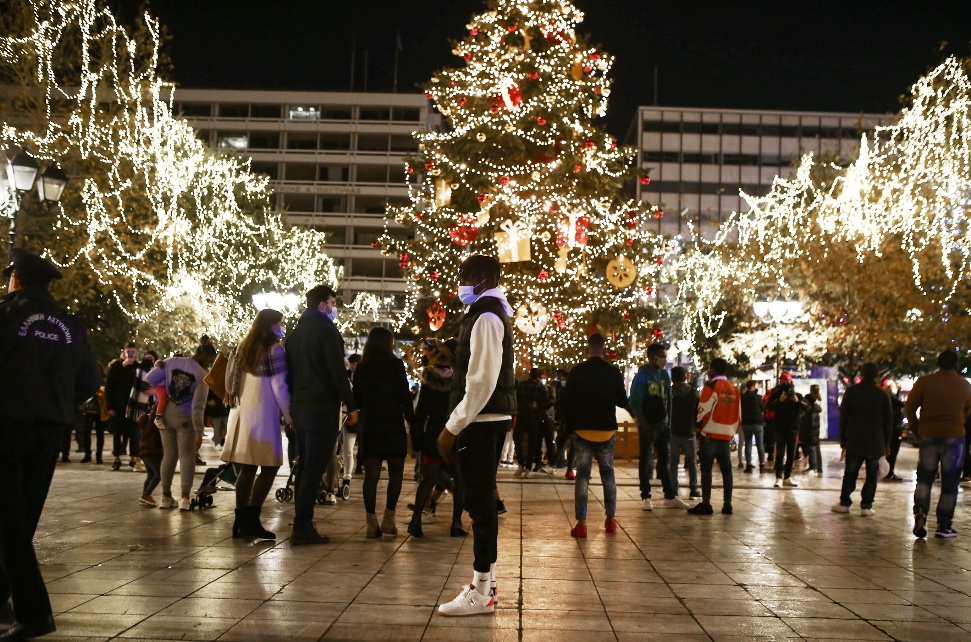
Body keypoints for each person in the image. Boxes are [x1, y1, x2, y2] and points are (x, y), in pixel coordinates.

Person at [0, 248, 102, 641]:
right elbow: (90, 380)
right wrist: (59, 401)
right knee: (19, 519)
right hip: (48, 432)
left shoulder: (6, 314)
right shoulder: (70, 325)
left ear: (16, 279)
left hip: (6, 428)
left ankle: (34, 612)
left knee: (7, 519)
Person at [436, 255, 515, 617]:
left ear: (483, 279)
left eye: (466, 277)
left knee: (479, 503)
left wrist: (453, 425)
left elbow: (482, 380)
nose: (461, 283)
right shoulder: (487, 313)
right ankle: (487, 584)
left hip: (480, 420)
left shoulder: (485, 317)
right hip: (485, 418)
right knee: (480, 501)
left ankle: (482, 592)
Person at [284, 285, 358, 545]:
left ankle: (301, 522)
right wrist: (352, 405)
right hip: (321, 409)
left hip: (301, 408)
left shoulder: (293, 335)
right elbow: (337, 373)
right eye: (333, 301)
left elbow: (289, 376)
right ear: (322, 304)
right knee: (314, 467)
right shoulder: (327, 331)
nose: (335, 307)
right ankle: (302, 526)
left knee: (305, 465)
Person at [222, 309, 292, 540]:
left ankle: (240, 520)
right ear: (271, 325)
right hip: (263, 415)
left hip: (241, 413)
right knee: (270, 467)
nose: (283, 326)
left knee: (248, 467)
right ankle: (251, 519)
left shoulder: (242, 348)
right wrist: (291, 416)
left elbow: (229, 382)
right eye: (280, 323)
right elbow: (279, 387)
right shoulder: (275, 349)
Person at [563, 333, 630, 537]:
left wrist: (568, 425)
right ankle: (610, 520)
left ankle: (582, 523)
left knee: (582, 476)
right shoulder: (612, 372)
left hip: (583, 430)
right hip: (606, 430)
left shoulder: (577, 372)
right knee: (608, 475)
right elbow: (621, 400)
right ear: (603, 349)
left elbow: (566, 401)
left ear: (587, 349)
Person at [352, 327, 415, 538]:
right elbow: (404, 396)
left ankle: (371, 522)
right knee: (396, 472)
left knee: (372, 475)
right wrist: (411, 420)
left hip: (370, 423)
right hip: (392, 422)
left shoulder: (362, 368)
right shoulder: (396, 365)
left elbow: (357, 399)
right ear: (389, 344)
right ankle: (389, 518)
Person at [906, 350, 971, 539]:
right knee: (950, 482)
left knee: (925, 478)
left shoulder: (924, 382)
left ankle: (920, 512)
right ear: (956, 365)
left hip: (928, 435)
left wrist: (917, 428)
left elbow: (910, 407)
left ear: (938, 364)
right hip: (954, 437)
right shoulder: (964, 385)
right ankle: (944, 525)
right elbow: (968, 410)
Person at [145, 343, 215, 511]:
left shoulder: (171, 362)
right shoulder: (202, 375)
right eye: (211, 361)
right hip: (186, 418)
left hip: (166, 414)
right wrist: (199, 432)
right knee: (187, 457)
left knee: (168, 455)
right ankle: (184, 498)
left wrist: (162, 389)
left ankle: (166, 497)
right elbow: (198, 407)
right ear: (206, 358)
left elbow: (149, 379)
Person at [408, 338, 466, 538]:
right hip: (456, 433)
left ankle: (416, 520)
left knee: (428, 479)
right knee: (459, 481)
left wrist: (418, 438)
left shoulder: (429, 379)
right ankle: (456, 523)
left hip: (433, 433)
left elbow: (421, 411)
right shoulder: (462, 380)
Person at [832, 363, 892, 516]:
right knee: (872, 475)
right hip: (875, 441)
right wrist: (886, 443)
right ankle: (866, 505)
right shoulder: (882, 394)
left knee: (850, 472)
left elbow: (843, 417)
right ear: (877, 376)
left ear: (862, 374)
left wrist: (843, 439)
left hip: (855, 439)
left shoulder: (852, 392)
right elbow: (888, 421)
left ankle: (845, 502)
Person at [628, 343, 679, 511]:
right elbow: (635, 401)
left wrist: (669, 422)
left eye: (665, 356)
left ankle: (669, 495)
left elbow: (669, 400)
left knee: (665, 461)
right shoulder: (642, 376)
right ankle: (645, 496)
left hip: (662, 424)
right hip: (648, 425)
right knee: (645, 460)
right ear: (651, 357)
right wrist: (643, 423)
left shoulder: (664, 375)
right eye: (661, 356)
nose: (664, 359)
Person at [687, 358, 741, 515]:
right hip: (726, 435)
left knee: (706, 470)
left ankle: (706, 503)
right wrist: (731, 430)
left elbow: (703, 409)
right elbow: (739, 414)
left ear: (712, 370)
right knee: (726, 470)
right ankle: (727, 504)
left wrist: (699, 424)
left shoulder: (711, 386)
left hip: (710, 433)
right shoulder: (734, 388)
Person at [104, 342, 140, 471]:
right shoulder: (116, 366)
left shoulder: (137, 367)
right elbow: (109, 387)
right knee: (117, 432)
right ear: (124, 351)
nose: (130, 353)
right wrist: (109, 406)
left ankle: (133, 458)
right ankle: (117, 458)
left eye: (133, 351)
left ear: (136, 352)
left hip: (134, 406)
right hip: (119, 405)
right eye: (128, 350)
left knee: (134, 432)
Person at [669, 366, 700, 500]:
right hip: (689, 430)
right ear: (685, 377)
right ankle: (694, 489)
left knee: (673, 463)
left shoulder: (669, 392)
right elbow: (698, 411)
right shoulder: (692, 392)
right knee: (692, 462)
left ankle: (672, 489)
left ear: (672, 378)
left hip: (673, 430)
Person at [514, 368, 552, 476]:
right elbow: (548, 402)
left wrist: (538, 406)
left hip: (529, 417)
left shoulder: (532, 386)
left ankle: (525, 465)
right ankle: (525, 466)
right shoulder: (537, 387)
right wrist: (538, 406)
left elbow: (547, 402)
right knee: (528, 442)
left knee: (525, 441)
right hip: (529, 417)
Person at [769, 383, 803, 487]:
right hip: (780, 429)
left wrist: (798, 401)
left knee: (791, 454)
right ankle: (778, 477)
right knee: (780, 454)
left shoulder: (798, 396)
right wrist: (780, 401)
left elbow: (806, 407)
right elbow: (769, 407)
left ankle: (787, 477)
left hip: (793, 429)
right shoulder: (776, 396)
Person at [740, 380, 766, 474]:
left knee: (748, 444)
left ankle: (749, 465)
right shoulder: (757, 397)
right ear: (753, 387)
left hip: (746, 423)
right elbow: (763, 408)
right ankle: (762, 466)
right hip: (757, 423)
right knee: (760, 444)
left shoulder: (743, 397)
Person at [883, 381, 906, 481]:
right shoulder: (889, 396)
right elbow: (901, 404)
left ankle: (887, 472)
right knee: (892, 452)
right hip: (894, 428)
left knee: (889, 452)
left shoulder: (885, 397)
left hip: (889, 427)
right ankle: (889, 472)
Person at [800, 384, 823, 475]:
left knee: (812, 448)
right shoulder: (817, 404)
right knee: (816, 448)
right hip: (815, 431)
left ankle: (813, 467)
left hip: (811, 431)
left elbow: (810, 422)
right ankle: (819, 467)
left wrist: (805, 429)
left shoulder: (811, 409)